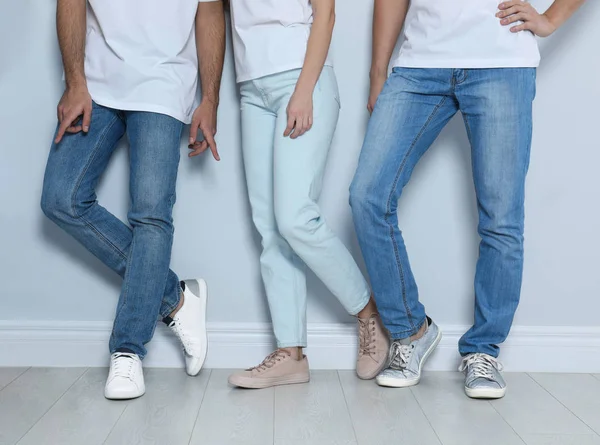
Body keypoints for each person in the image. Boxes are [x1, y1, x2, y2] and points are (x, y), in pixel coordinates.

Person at [350, 0, 585, 398]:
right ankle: (410, 332)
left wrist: (550, 19)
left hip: (503, 63)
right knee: (367, 197)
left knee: (501, 219)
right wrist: (378, 73)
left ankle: (484, 349)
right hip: (419, 65)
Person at [41, 0, 226, 400]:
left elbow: (210, 10)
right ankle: (174, 298)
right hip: (95, 80)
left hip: (164, 83)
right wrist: (75, 81)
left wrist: (210, 99)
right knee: (62, 198)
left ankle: (127, 351)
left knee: (152, 217)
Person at [226, 0, 389, 389]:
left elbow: (326, 13)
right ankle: (291, 353)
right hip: (252, 88)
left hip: (301, 79)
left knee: (295, 217)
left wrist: (305, 89)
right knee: (269, 228)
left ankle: (368, 313)